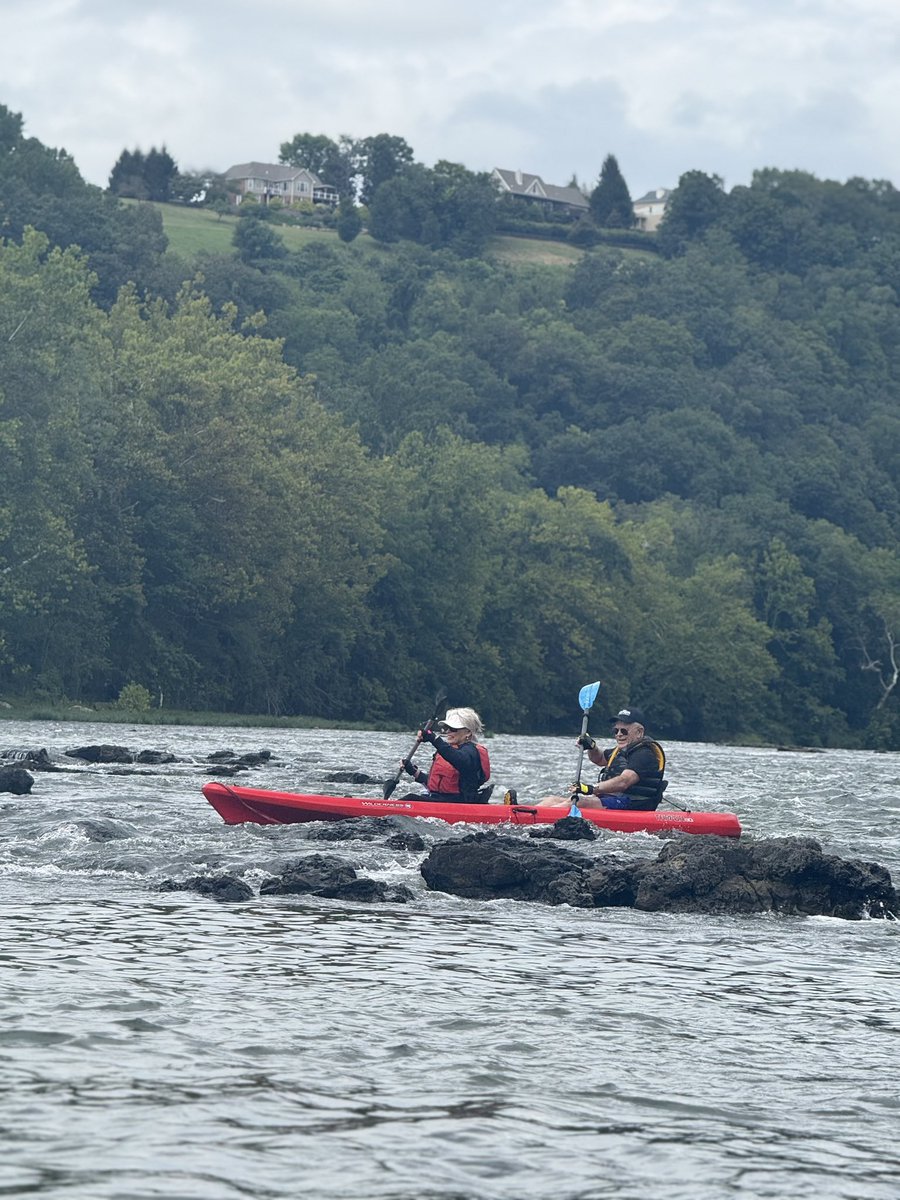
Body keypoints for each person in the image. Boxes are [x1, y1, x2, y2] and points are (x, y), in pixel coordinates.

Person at [538, 705, 667, 811]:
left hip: (633, 804)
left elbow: (624, 781)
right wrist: (591, 746)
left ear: (639, 732)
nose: (619, 735)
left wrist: (591, 788)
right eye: (616, 731)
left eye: (624, 731)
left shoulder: (645, 754)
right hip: (612, 799)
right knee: (551, 800)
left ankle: (535, 818)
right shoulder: (620, 750)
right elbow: (599, 759)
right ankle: (526, 813)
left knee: (580, 802)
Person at [400, 707, 492, 804]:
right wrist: (413, 771)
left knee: (410, 798)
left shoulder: (471, 752)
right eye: (447, 728)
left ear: (468, 732)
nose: (448, 731)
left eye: (453, 729)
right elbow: (437, 784)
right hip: (441, 800)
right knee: (414, 797)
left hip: (460, 803)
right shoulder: (449, 750)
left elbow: (459, 759)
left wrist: (434, 739)